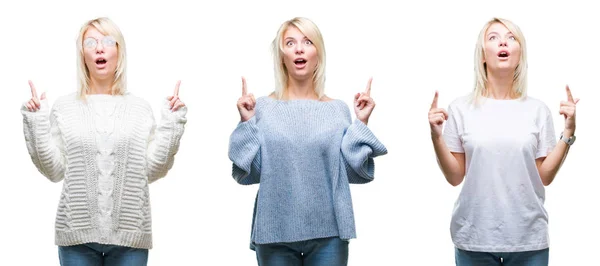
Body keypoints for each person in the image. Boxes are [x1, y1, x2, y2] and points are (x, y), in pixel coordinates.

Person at [21, 17, 187, 266]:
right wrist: (35, 123)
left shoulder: (139, 109)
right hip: (76, 239)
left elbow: (152, 171)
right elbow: (54, 171)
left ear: (119, 51)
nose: (99, 48)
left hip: (130, 240)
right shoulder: (64, 108)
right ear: (83, 54)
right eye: (91, 42)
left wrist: (173, 124)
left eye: (108, 41)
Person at [228, 17, 387, 266]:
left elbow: (351, 173)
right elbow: (250, 174)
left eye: (307, 42)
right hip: (275, 232)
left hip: (329, 232)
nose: (299, 48)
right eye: (290, 43)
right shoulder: (263, 108)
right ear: (282, 56)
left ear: (318, 54)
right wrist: (247, 123)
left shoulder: (337, 110)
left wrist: (361, 124)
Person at [428, 17, 578, 266]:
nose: (503, 42)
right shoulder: (460, 109)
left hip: (528, 240)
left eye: (511, 37)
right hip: (474, 238)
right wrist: (436, 137)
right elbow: (455, 177)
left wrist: (568, 132)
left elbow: (545, 177)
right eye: (493, 37)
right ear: (483, 55)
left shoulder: (538, 110)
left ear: (520, 54)